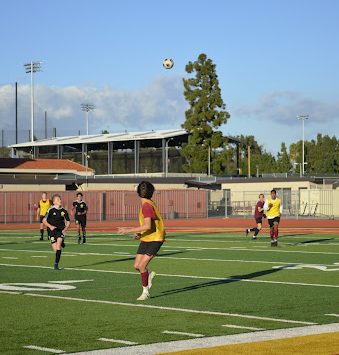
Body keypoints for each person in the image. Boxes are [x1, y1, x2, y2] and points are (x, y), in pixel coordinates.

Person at [118, 181, 165, 301]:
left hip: (155, 239)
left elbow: (148, 225)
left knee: (142, 265)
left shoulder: (146, 206)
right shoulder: (148, 203)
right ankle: (148, 275)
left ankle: (145, 292)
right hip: (147, 238)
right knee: (136, 266)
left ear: (138, 193)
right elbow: (149, 225)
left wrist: (128, 229)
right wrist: (139, 233)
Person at [43, 194, 70, 270]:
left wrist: (65, 229)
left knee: (58, 247)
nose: (60, 201)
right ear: (54, 202)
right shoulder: (50, 210)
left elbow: (68, 222)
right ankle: (62, 243)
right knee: (56, 250)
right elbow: (44, 220)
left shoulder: (64, 211)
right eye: (58, 200)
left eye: (60, 199)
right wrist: (50, 226)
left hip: (60, 230)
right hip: (51, 231)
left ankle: (56, 264)